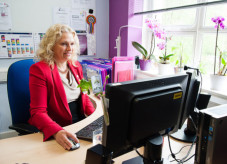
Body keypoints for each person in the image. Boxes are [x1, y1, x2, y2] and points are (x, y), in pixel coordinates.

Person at [28, 24, 95, 150]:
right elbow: (37, 112)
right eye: (64, 44)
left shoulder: (76, 66)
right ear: (51, 46)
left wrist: (95, 119)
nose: (70, 48)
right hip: (59, 129)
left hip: (80, 126)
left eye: (72, 44)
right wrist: (56, 131)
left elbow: (84, 99)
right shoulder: (39, 70)